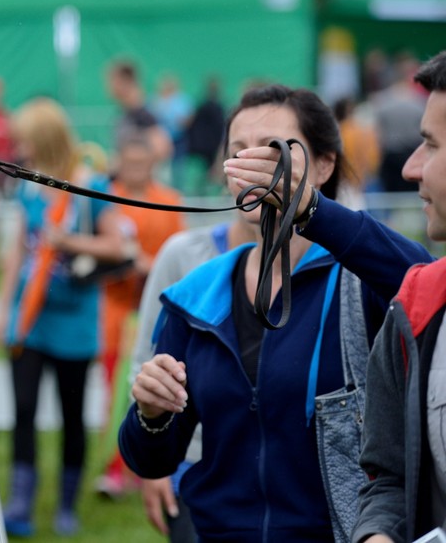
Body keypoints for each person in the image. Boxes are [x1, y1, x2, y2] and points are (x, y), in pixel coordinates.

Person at [120, 84, 434, 542]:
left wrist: (311, 211)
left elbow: (424, 278)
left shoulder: (357, 277)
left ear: (324, 165)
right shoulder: (195, 295)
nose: (252, 165)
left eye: (273, 151)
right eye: (237, 151)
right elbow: (153, 459)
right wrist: (150, 414)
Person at [0, 97, 129, 537]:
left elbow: (119, 247)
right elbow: (19, 251)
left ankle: (67, 505)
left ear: (45, 140)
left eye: (26, 141)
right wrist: (3, 310)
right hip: (30, 319)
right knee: (24, 411)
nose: (20, 149)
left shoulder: (89, 186)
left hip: (74, 323)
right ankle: (21, 503)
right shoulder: (28, 185)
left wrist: (70, 242)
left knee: (73, 415)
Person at [352, 50, 446, 543]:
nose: (411, 168)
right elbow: (388, 478)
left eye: (430, 145)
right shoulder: (418, 303)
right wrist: (378, 535)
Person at [127, 213, 256, 542]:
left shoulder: (326, 264)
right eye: (238, 159)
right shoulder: (183, 253)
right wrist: (154, 461)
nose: (253, 170)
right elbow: (147, 358)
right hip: (190, 463)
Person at [95, 130, 185, 499]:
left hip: (154, 310)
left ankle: (144, 463)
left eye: (140, 161)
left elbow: (176, 254)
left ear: (152, 162)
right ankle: (114, 465)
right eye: (128, 161)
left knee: (153, 385)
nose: (134, 168)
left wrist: (148, 263)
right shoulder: (105, 199)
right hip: (115, 309)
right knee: (115, 388)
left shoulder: (168, 201)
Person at [372, 52, 426, 193]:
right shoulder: (419, 102)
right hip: (412, 154)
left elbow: (378, 134)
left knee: (391, 198)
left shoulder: (382, 101)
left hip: (390, 157)